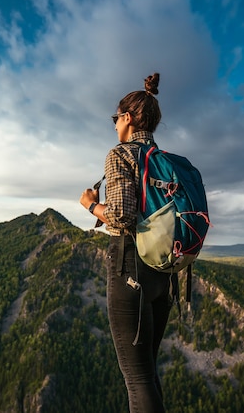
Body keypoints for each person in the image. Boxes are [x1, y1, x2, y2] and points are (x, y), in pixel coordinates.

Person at [79, 73, 176, 413]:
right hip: (164, 274)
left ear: (128, 118)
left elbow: (121, 216)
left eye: (115, 118)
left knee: (136, 378)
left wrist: (90, 204)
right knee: (147, 371)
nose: (114, 124)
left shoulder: (120, 154)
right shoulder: (163, 161)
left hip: (129, 267)